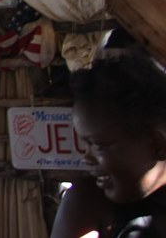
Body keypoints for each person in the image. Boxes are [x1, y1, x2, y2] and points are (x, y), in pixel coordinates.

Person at [51, 50, 166, 237]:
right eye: (85, 144)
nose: (86, 157)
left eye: (98, 145)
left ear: (156, 143)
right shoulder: (88, 204)